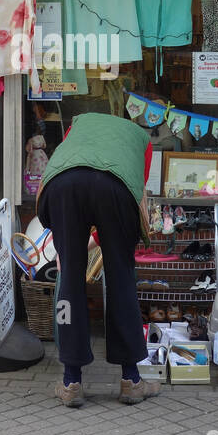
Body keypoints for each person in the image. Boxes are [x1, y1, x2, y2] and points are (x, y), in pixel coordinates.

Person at [36, 112, 157, 407]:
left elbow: (67, 166)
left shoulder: (78, 125)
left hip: (62, 185)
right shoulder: (141, 140)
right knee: (121, 279)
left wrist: (71, 249)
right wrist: (107, 243)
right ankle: (131, 381)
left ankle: (71, 382)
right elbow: (132, 192)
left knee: (70, 282)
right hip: (115, 188)